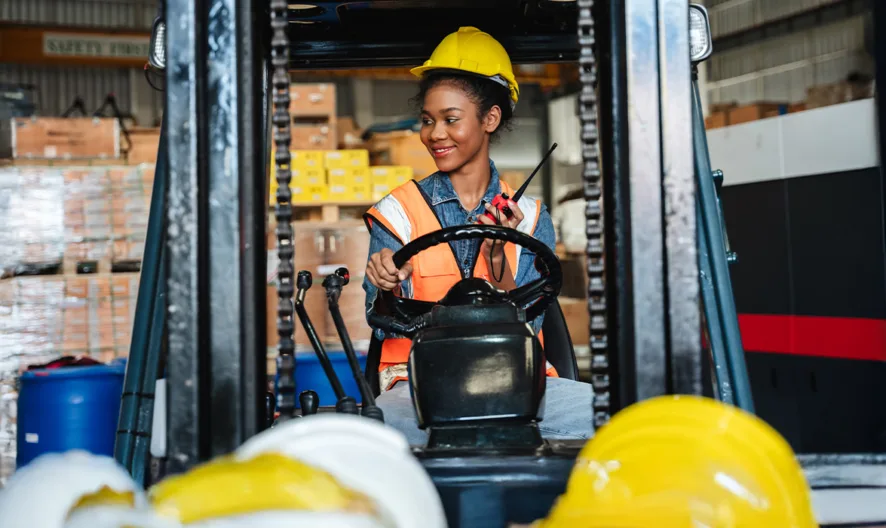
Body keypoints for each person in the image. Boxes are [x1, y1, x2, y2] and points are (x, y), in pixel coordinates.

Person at [362, 26, 594, 444]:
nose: (435, 134)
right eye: (428, 121)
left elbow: (530, 321)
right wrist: (385, 283)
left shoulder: (530, 219)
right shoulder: (398, 212)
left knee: (607, 420)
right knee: (371, 434)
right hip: (418, 387)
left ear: (490, 119)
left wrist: (500, 259)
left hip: (518, 383)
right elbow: (379, 321)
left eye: (451, 120)